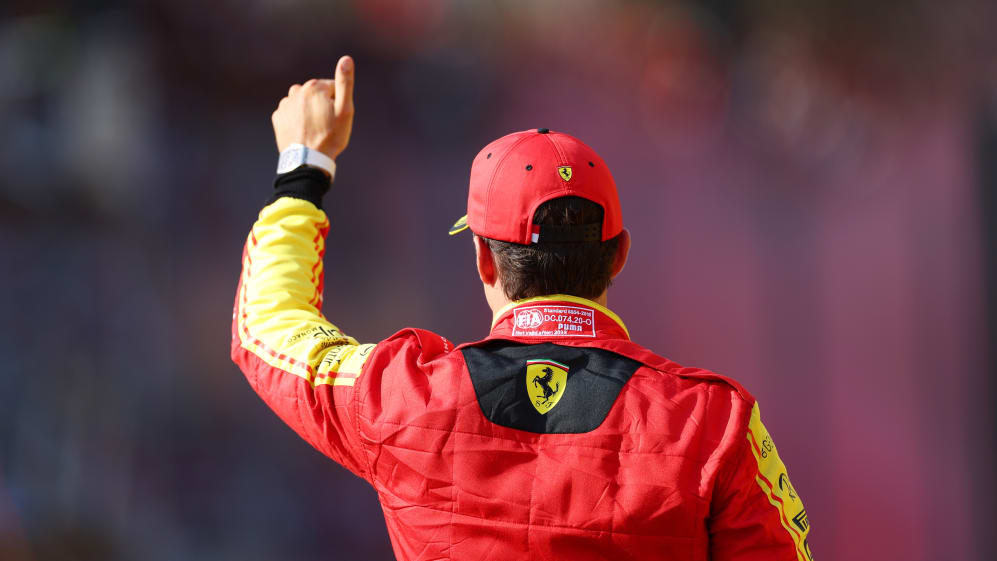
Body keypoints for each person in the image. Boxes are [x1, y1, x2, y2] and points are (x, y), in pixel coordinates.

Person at [231, 55, 813, 561]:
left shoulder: (402, 396)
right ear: (619, 256)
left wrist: (304, 169)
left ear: (484, 258)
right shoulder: (714, 424)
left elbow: (267, 327)